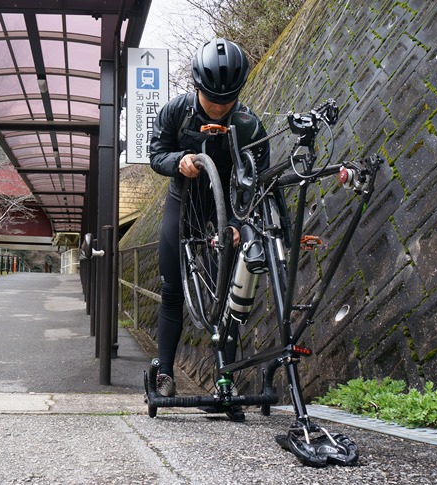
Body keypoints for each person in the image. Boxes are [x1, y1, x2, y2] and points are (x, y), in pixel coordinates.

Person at [149, 38, 273, 421]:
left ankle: (225, 380)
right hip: (183, 203)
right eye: (211, 99)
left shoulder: (250, 125)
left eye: (228, 100)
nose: (219, 108)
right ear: (197, 87)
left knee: (231, 296)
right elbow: (155, 153)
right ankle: (166, 374)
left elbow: (257, 184)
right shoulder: (176, 111)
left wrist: (238, 225)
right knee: (172, 288)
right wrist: (179, 160)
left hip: (228, 209)